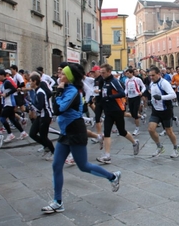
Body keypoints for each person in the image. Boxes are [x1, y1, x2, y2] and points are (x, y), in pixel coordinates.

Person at [41, 64, 121, 214]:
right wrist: (58, 92)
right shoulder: (65, 89)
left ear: (70, 77)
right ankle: (58, 202)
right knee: (56, 166)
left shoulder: (72, 91)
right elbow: (56, 106)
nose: (59, 76)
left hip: (76, 131)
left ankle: (112, 176)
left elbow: (57, 109)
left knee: (83, 166)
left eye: (63, 74)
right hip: (65, 132)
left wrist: (57, 91)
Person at [96, 64, 140, 164]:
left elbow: (122, 93)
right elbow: (104, 93)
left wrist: (109, 97)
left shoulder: (114, 81)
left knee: (122, 131)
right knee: (107, 132)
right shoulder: (103, 81)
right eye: (101, 72)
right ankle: (107, 156)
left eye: (103, 72)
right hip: (108, 111)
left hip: (117, 110)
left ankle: (134, 142)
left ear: (108, 72)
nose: (101, 74)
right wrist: (99, 97)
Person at [148, 66, 179, 158]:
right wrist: (150, 101)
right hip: (156, 110)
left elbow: (173, 95)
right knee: (151, 129)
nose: (151, 77)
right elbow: (153, 94)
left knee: (169, 132)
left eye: (153, 75)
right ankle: (159, 147)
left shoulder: (164, 83)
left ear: (159, 74)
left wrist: (161, 98)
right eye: (150, 76)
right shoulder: (152, 83)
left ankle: (176, 148)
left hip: (166, 110)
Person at [0, 69, 29, 142]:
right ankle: (23, 133)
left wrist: (6, 94)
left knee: (2, 118)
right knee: (12, 119)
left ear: (2, 75)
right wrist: (0, 95)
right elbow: (5, 92)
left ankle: (10, 134)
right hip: (6, 103)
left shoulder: (7, 82)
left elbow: (14, 89)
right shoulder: (3, 83)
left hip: (9, 103)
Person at [28, 73, 54, 160]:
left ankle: (53, 152)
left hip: (45, 116)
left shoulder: (40, 92)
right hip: (40, 116)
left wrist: (31, 106)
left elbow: (40, 107)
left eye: (30, 81)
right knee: (32, 133)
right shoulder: (36, 91)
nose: (29, 83)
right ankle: (46, 147)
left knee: (43, 136)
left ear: (35, 82)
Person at [124, 68, 146, 136]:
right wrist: (125, 94)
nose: (127, 75)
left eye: (128, 73)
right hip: (130, 98)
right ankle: (142, 116)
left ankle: (137, 129)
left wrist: (141, 92)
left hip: (136, 97)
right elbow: (126, 89)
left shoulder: (137, 79)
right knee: (132, 114)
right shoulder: (126, 80)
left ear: (131, 73)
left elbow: (143, 87)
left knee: (135, 114)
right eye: (126, 73)